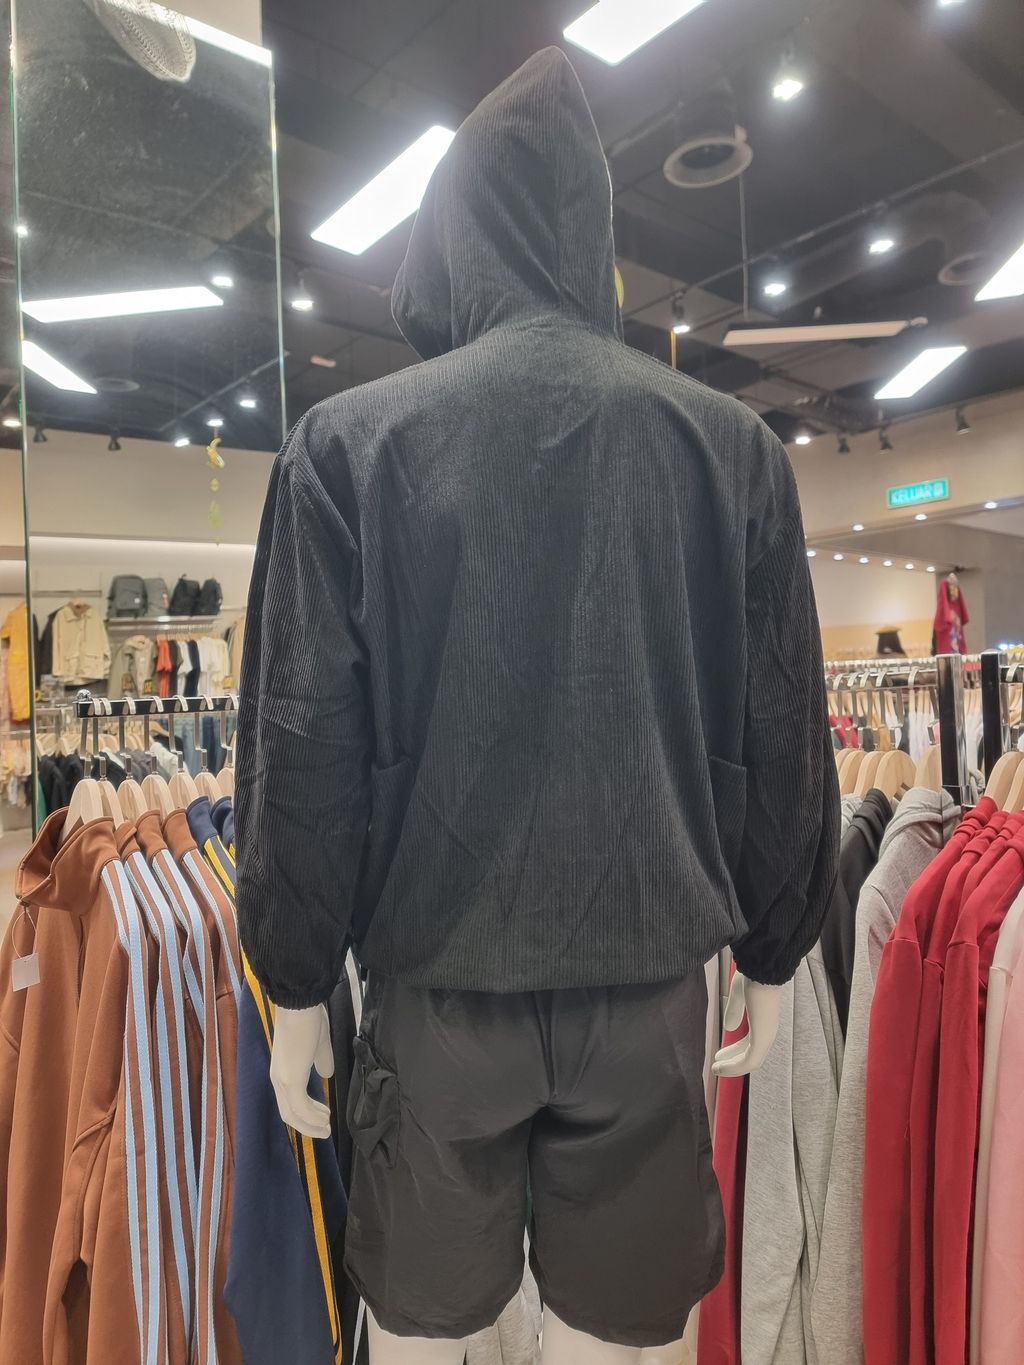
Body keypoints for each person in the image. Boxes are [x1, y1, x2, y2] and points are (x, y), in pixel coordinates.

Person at [236, 45, 838, 1365]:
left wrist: (296, 987)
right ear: (590, 228)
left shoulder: (348, 451)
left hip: (437, 1001)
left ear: (452, 237)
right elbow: (785, 732)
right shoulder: (733, 453)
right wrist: (776, 945)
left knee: (422, 1332)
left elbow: (302, 743)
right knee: (616, 1338)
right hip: (650, 996)